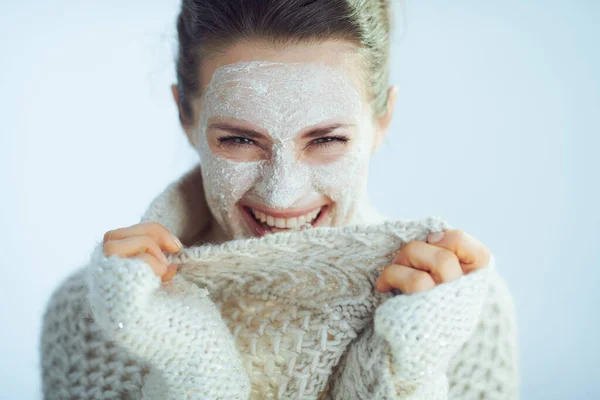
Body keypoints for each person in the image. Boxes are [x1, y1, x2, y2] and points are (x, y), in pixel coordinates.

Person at [40, 0, 519, 399]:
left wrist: (403, 375)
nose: (282, 192)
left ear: (383, 120)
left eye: (327, 139)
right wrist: (190, 364)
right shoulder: (93, 314)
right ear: (186, 116)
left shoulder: (458, 310)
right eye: (239, 140)